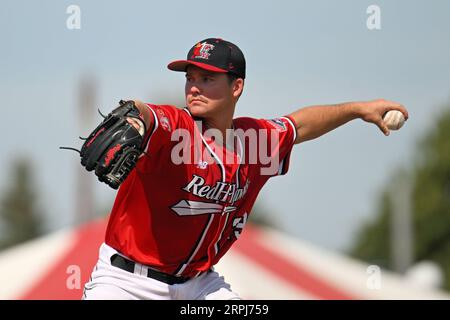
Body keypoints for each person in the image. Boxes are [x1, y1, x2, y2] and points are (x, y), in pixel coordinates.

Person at [82, 37, 409, 300]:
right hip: (126, 282)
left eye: (207, 78)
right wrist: (136, 115)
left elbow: (301, 125)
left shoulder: (254, 140)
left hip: (198, 285)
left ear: (236, 86)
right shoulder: (176, 127)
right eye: (190, 78)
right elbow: (148, 112)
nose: (193, 87)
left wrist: (358, 109)